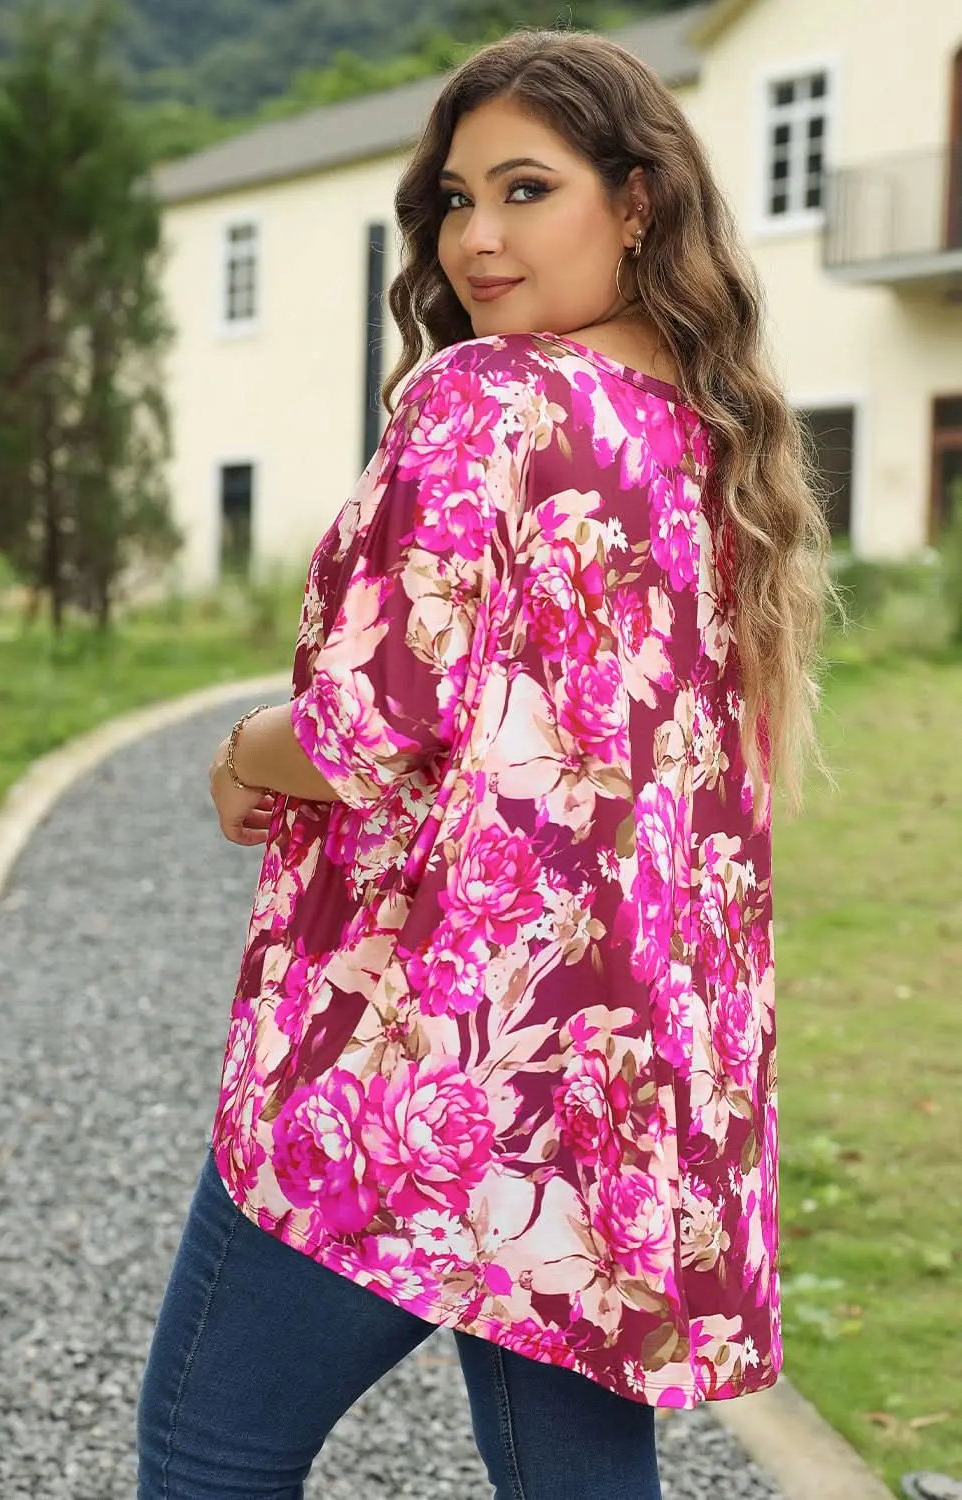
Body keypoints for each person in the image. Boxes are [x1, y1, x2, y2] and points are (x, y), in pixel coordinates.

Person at [135, 24, 839, 1500]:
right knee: (571, 1480)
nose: (476, 239)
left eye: (527, 189)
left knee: (211, 1446)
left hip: (423, 1049)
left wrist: (243, 752)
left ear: (636, 202)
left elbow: (377, 720)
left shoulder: (490, 397)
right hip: (614, 1080)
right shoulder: (709, 441)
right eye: (456, 200)